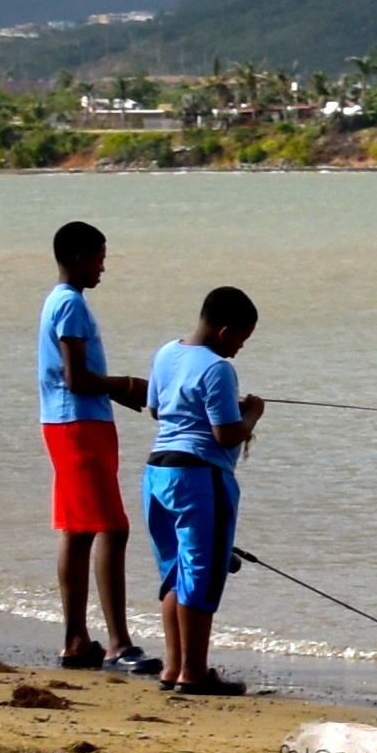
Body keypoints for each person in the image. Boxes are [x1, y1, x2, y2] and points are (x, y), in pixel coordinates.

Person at [137, 284, 266, 696]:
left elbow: (157, 408)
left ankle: (174, 668)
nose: (241, 348)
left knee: (175, 573)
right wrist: (253, 414)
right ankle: (194, 673)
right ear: (226, 330)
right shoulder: (218, 369)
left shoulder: (166, 353)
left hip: (157, 473)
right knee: (201, 574)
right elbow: (227, 434)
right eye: (242, 338)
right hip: (200, 477)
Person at [38, 221, 155, 675]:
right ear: (78, 257)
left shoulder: (62, 300)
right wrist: (126, 385)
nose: (104, 266)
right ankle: (118, 644)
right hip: (77, 423)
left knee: (79, 529)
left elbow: (82, 379)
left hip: (70, 420)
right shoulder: (69, 304)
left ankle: (75, 641)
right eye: (100, 257)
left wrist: (127, 395)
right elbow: (76, 379)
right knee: (113, 528)